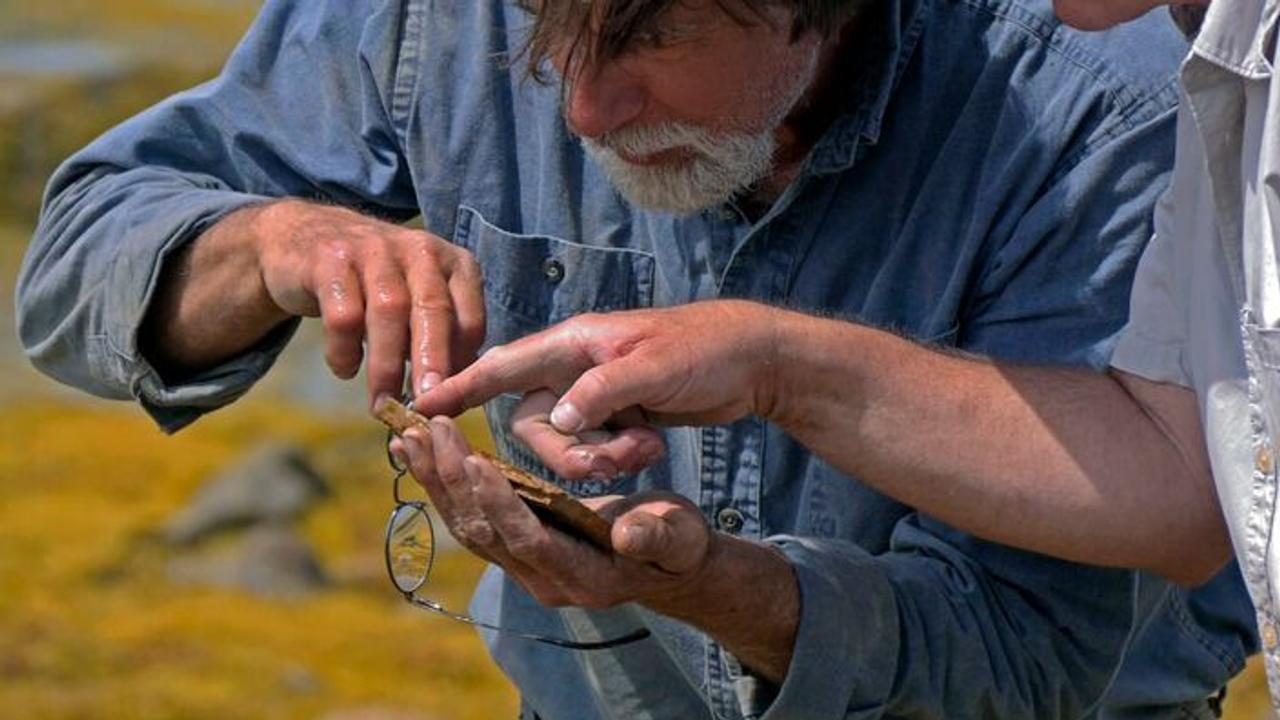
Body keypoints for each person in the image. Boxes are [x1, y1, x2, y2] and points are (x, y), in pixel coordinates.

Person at [13, 0, 1257, 718]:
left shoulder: (1101, 112)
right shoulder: (438, 17)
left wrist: (711, 576)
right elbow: (73, 267)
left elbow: (1020, 663)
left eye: (649, 36)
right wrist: (274, 241)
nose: (581, 111)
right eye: (550, 38)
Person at [413, 0, 1280, 713]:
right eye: (534, 18)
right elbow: (1185, 487)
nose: (581, 113)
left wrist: (772, 373)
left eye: (659, 33)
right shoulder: (1219, 75)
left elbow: (1037, 645)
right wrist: (771, 363)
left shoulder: (1117, 103)